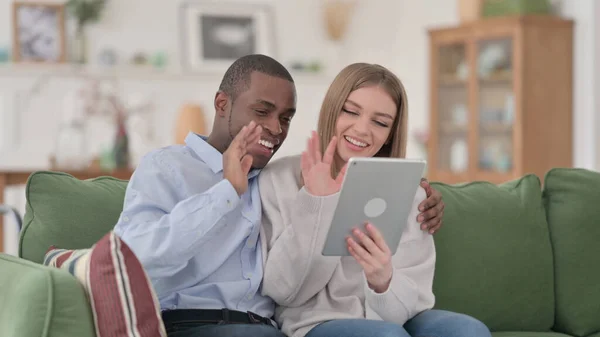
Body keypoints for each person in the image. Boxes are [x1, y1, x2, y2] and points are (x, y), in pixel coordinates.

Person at [113, 55, 445, 337]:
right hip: (190, 321)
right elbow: (133, 256)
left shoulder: (265, 176)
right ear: (222, 104)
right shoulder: (168, 167)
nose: (276, 128)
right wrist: (226, 192)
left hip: (263, 326)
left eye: (286, 118)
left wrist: (424, 195)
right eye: (262, 112)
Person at [257, 63, 491, 337]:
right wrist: (317, 203)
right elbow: (283, 291)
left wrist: (384, 281)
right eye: (350, 111)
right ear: (331, 108)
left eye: (380, 122)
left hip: (397, 318)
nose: (362, 129)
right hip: (316, 323)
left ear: (391, 132)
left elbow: (412, 303)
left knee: (469, 331)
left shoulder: (411, 193)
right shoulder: (279, 178)